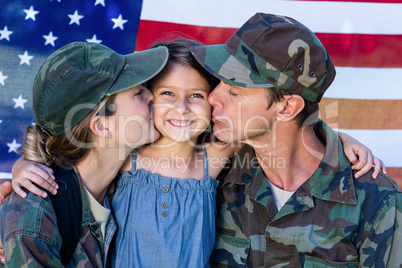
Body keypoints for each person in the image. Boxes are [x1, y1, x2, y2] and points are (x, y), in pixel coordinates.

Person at [0, 38, 385, 267]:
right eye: (144, 93)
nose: (161, 101)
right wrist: (24, 166)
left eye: (196, 96)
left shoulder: (212, 160)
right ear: (102, 125)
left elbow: (276, 126)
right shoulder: (53, 199)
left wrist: (336, 139)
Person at [189, 13, 402, 267]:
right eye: (219, 82)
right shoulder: (213, 170)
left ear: (288, 107)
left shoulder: (375, 201)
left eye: (234, 91)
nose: (212, 97)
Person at [0, 41, 169, 267]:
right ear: (101, 127)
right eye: (138, 92)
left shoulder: (134, 186)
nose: (152, 96)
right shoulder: (35, 214)